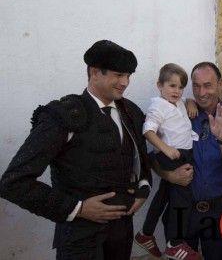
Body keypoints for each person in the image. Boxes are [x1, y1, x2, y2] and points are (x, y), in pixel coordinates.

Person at [0, 40, 152, 260]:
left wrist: (143, 187)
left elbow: (140, 160)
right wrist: (77, 208)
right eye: (118, 75)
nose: (125, 82)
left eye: (128, 75)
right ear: (94, 72)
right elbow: (13, 182)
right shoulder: (62, 115)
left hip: (121, 234)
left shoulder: (130, 111)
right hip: (79, 237)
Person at [156, 61, 222, 260]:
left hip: (216, 213)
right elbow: (153, 157)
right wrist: (169, 175)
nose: (201, 92)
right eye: (196, 86)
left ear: (220, 84)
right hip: (181, 211)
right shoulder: (179, 113)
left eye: (207, 85)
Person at [134, 63, 200, 259]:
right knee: (182, 199)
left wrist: (190, 101)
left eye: (180, 87)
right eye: (172, 86)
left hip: (182, 153)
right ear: (159, 85)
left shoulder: (178, 102)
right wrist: (166, 149)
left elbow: (184, 101)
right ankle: (175, 243)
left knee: (164, 194)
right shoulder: (158, 106)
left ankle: (145, 233)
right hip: (173, 155)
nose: (177, 91)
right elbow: (148, 131)